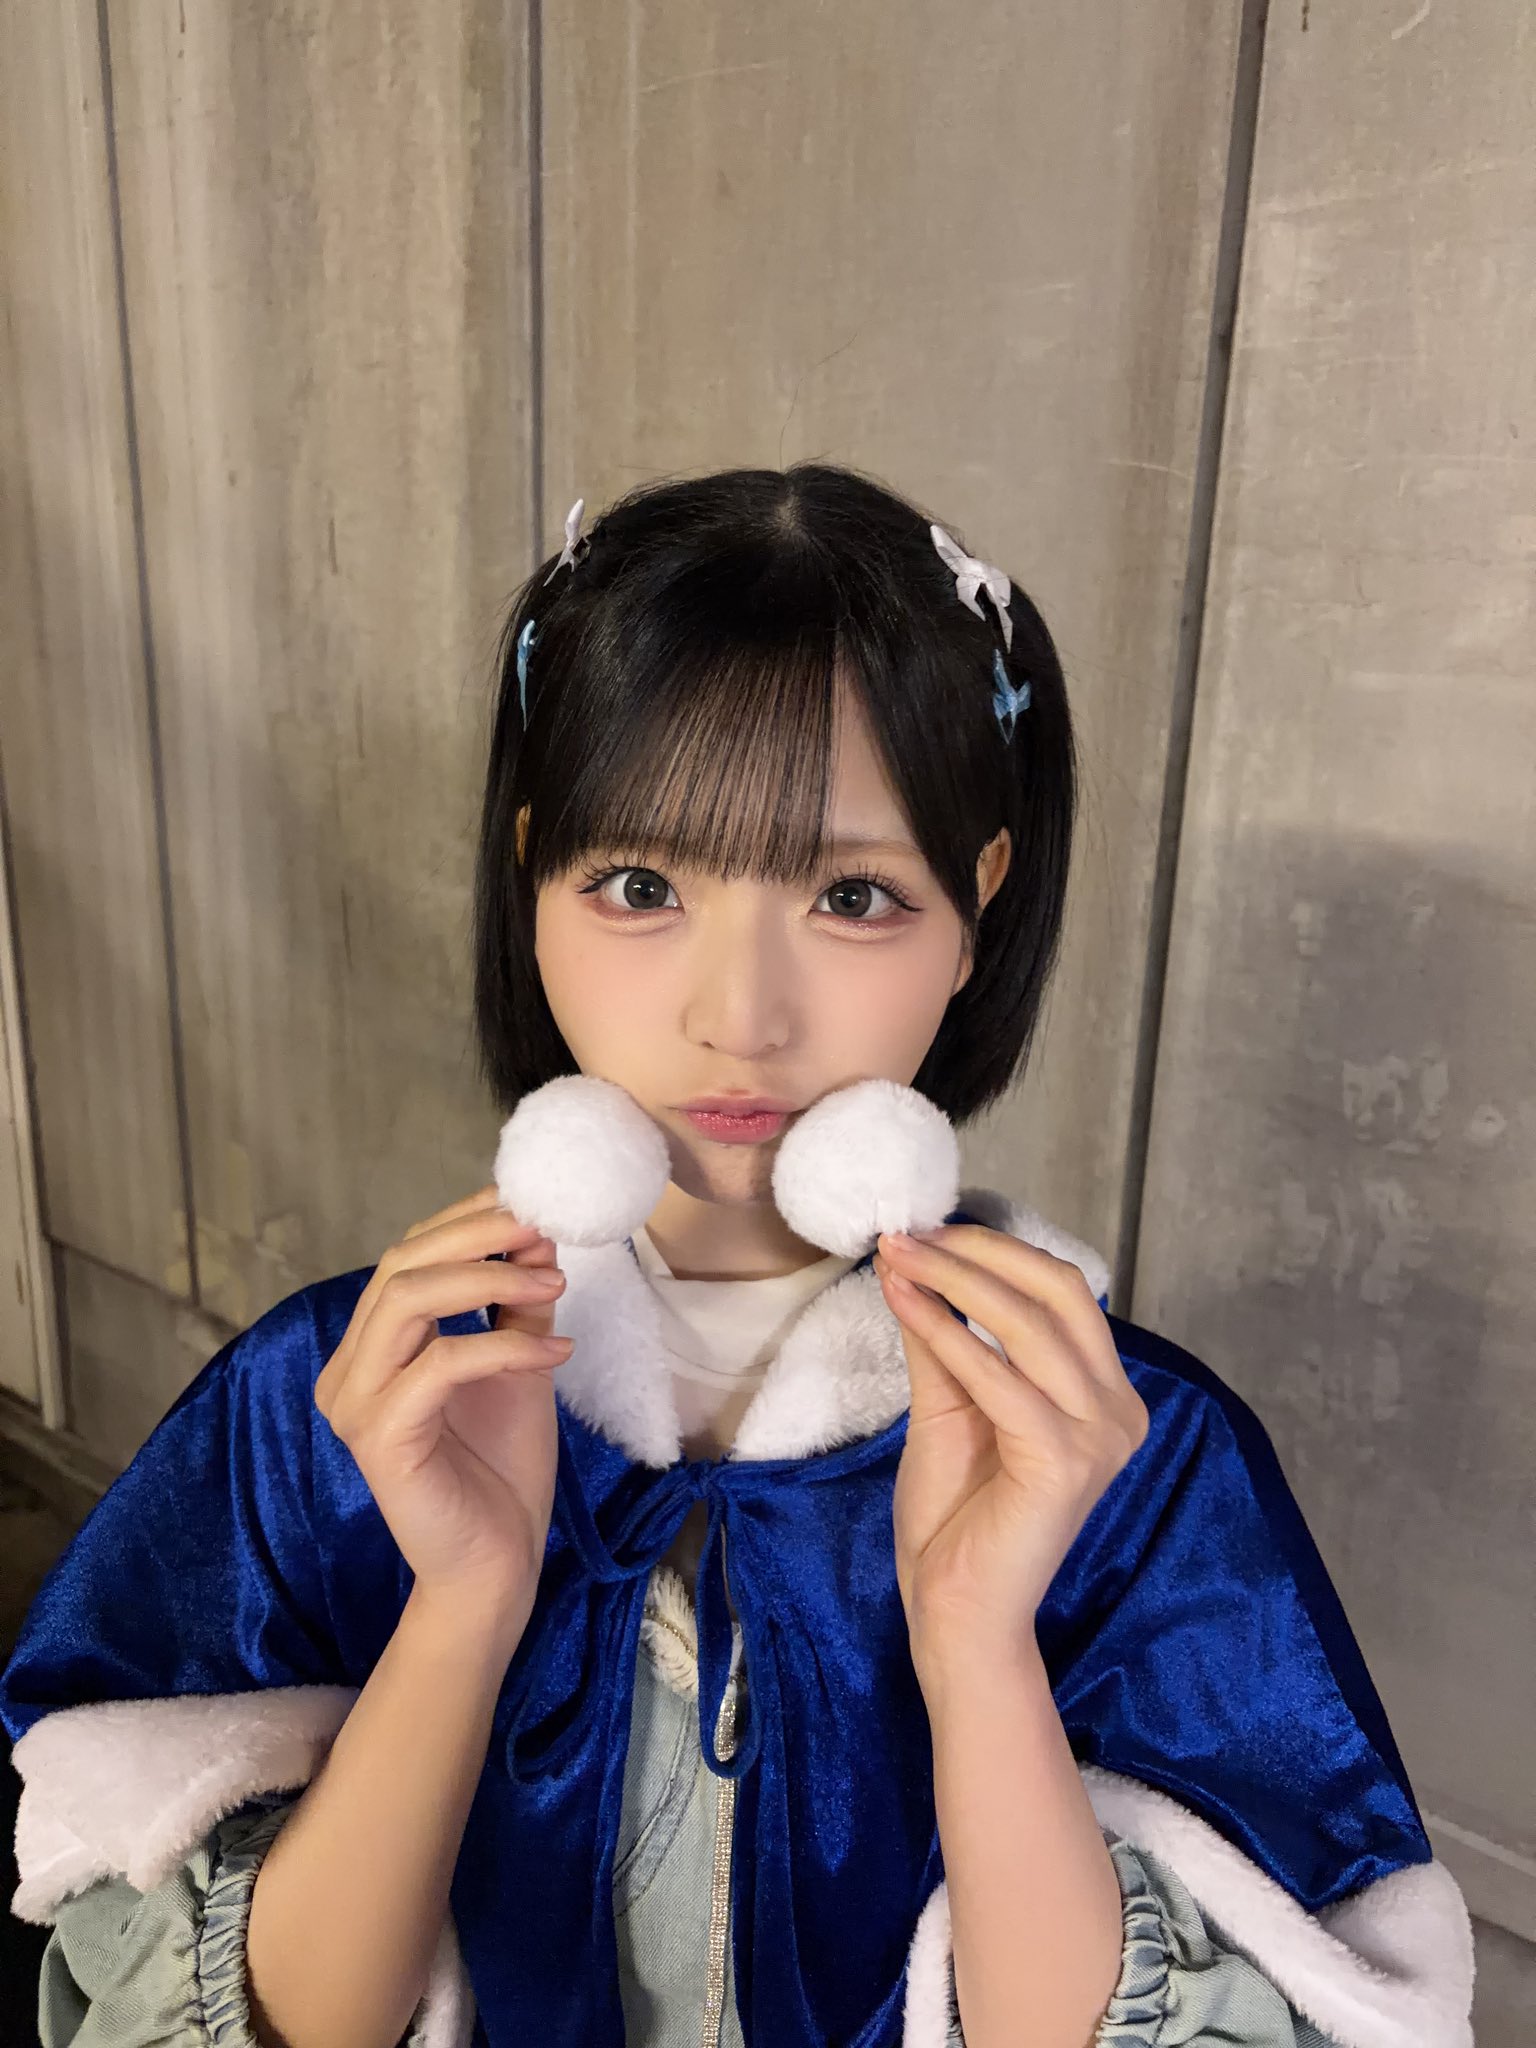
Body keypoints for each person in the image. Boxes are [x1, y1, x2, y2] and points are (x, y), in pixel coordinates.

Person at [0, 464, 1473, 2048]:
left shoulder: (1125, 1449)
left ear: (977, 901)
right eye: (640, 886)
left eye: (852, 896)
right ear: (530, 875)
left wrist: (976, 1645)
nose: (739, 1015)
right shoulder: (338, 1401)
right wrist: (462, 1608)